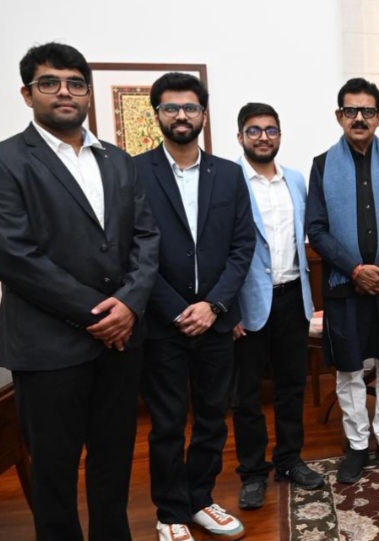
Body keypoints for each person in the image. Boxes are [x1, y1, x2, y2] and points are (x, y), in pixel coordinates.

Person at [0, 42, 159, 541]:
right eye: (50, 82)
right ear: (28, 94)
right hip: (48, 347)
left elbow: (146, 238)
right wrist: (100, 314)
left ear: (87, 93)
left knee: (114, 461)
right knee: (53, 472)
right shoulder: (3, 161)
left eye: (75, 83)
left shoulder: (119, 160)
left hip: (120, 344)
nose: (64, 92)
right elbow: (13, 255)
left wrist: (129, 303)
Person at [135, 73, 254, 541]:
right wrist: (178, 309)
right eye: (171, 107)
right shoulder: (134, 172)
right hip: (163, 324)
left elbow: (242, 247)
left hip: (216, 323)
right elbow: (133, 250)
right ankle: (170, 512)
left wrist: (214, 306)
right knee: (167, 423)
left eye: (189, 107)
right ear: (158, 115)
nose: (181, 115)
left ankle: (200, 499)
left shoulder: (228, 173)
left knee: (211, 419)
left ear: (204, 114)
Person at [306, 77, 379, 484]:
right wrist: (355, 269)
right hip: (343, 286)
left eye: (367, 111)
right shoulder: (322, 165)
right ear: (339, 116)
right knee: (349, 368)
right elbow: (316, 230)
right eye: (351, 110)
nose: (359, 117)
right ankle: (357, 445)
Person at [231, 102, 323, 511]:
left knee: (291, 387)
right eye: (254, 130)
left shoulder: (296, 180)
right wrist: (228, 308)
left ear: (280, 136)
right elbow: (221, 248)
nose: (263, 137)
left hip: (292, 299)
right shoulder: (229, 181)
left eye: (270, 130)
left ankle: (289, 460)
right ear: (240, 137)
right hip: (247, 304)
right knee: (246, 395)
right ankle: (253, 473)